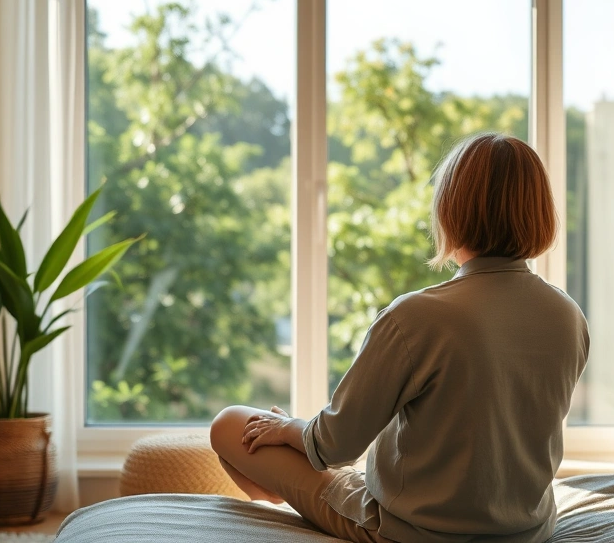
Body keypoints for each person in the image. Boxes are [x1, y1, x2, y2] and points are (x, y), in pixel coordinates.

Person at [210, 132, 589, 543]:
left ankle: (283, 490)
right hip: (528, 531)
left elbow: (335, 446)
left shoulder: (416, 316)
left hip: (412, 531)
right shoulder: (569, 316)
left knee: (228, 424)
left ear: (449, 212)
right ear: (539, 212)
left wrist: (288, 428)